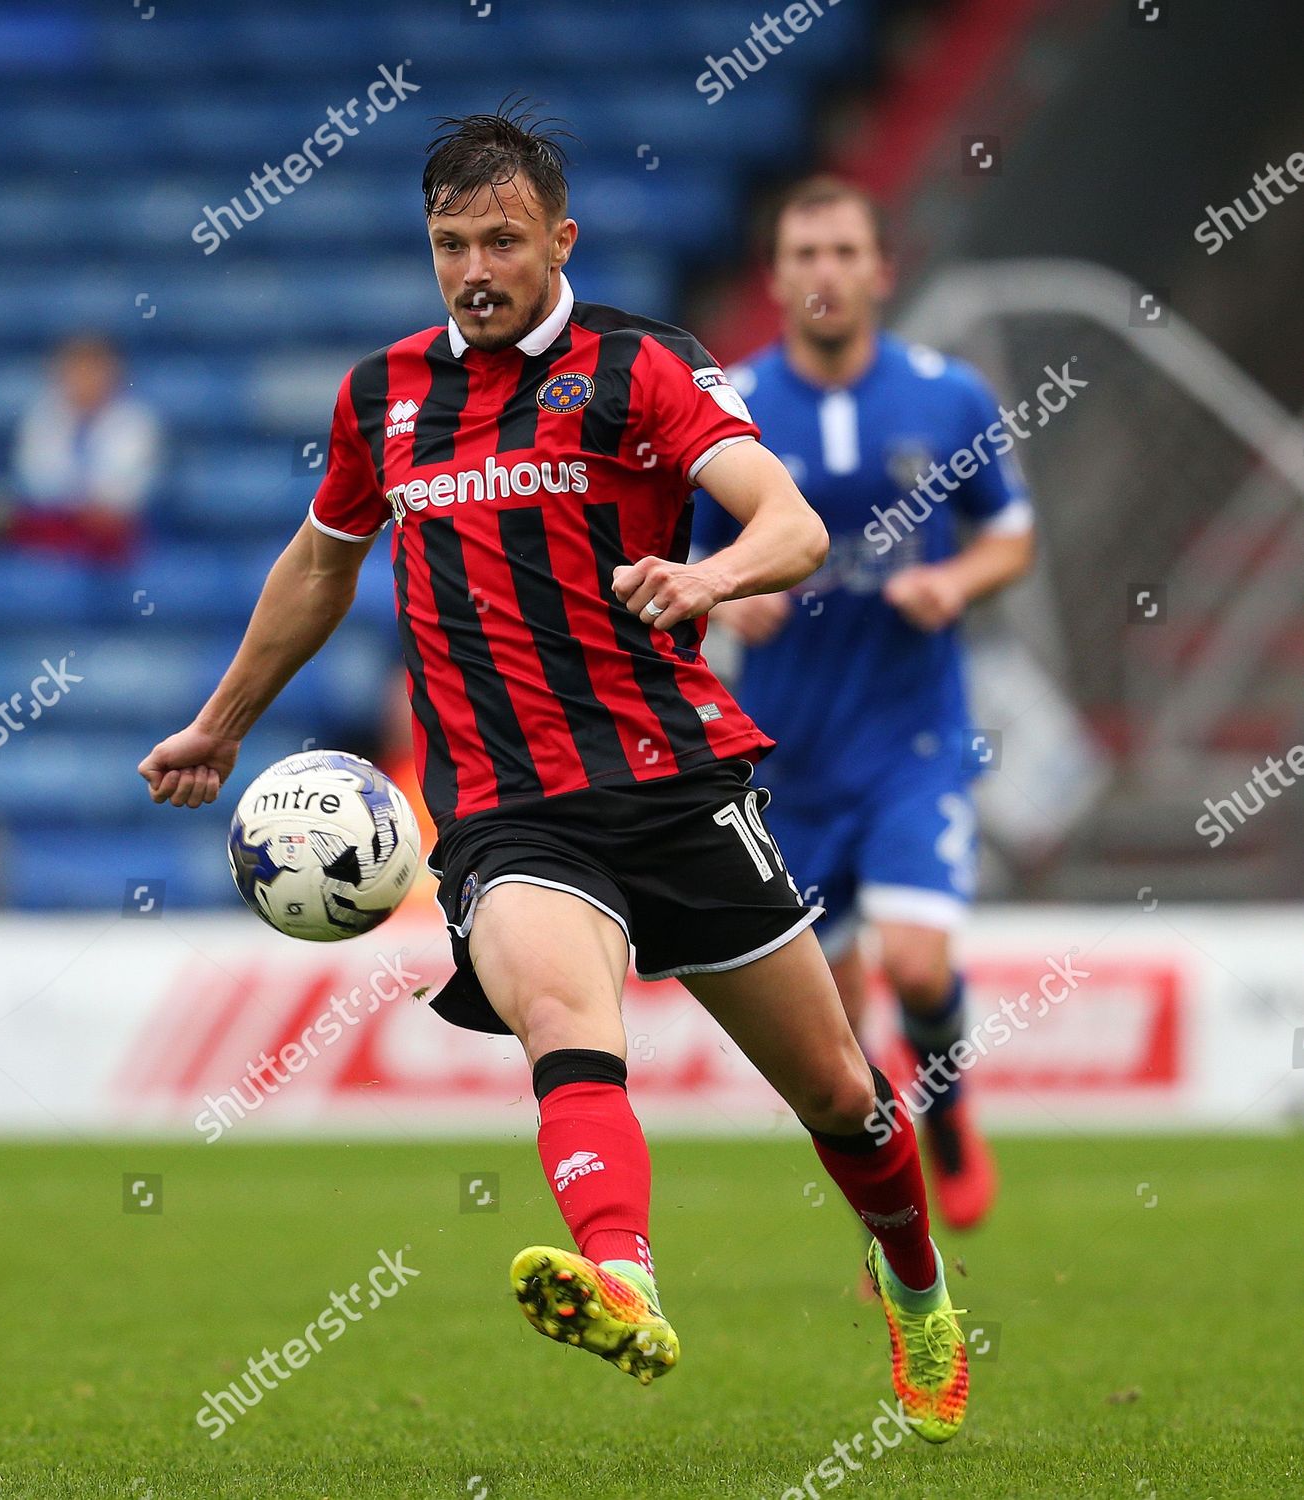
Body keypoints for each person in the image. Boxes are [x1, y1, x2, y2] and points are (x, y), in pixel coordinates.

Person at [138, 111, 968, 1442]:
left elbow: (791, 520)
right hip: (503, 804)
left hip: (672, 775)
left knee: (838, 1095)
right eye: (450, 244)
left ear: (559, 239)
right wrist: (224, 721)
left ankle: (919, 1291)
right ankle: (622, 1277)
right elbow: (319, 565)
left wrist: (703, 575)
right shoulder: (383, 397)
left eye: (503, 241)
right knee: (562, 1019)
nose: (474, 268)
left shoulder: (643, 369)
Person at [694, 177, 1036, 1234]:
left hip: (912, 737)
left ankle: (951, 1115)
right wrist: (723, 597)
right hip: (788, 754)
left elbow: (1010, 534)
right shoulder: (730, 408)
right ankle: (900, 1213)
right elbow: (692, 547)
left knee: (917, 964)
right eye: (805, 255)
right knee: (837, 1030)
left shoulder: (948, 397)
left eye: (845, 251)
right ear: (777, 276)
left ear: (882, 269)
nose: (825, 273)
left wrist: (956, 584)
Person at [8, 334, 161, 562]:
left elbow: (133, 484)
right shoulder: (41, 417)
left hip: (115, 525)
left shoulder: (137, 420)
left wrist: (98, 502)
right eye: (77, 371)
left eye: (94, 371)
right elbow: (36, 478)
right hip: (58, 519)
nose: (85, 380)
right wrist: (76, 502)